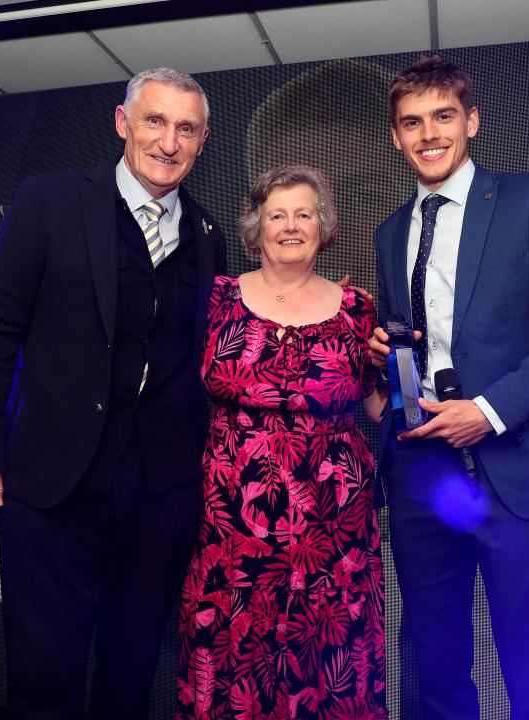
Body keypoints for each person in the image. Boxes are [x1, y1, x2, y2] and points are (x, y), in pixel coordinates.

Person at [0, 67, 227, 719]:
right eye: (155, 121)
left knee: (130, 675)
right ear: (122, 123)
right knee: (44, 671)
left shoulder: (210, 237)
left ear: (203, 140)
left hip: (161, 494)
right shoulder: (48, 201)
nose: (168, 141)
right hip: (51, 485)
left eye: (186, 128)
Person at [368, 56, 529, 720]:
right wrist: (388, 361)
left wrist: (489, 412)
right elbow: (419, 341)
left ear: (471, 121)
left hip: (518, 469)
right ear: (396, 135)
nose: (429, 134)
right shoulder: (391, 233)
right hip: (424, 476)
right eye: (412, 123)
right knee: (433, 664)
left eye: (443, 116)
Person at [175, 164, 387, 720]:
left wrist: (413, 371)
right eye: (277, 215)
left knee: (326, 665)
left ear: (325, 225)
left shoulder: (357, 311)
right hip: (232, 526)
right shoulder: (213, 299)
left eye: (304, 214)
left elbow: (379, 406)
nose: (290, 226)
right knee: (235, 663)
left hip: (333, 532)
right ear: (256, 227)